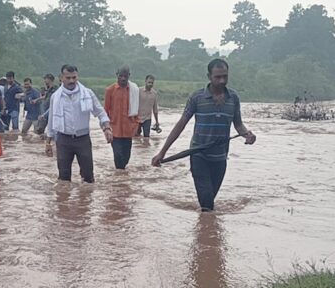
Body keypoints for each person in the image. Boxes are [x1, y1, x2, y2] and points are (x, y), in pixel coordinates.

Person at [152, 58, 256, 211]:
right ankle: (206, 231)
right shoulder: (197, 98)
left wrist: (247, 134)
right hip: (199, 155)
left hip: (220, 158)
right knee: (207, 202)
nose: (222, 80)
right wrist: (162, 152)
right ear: (209, 77)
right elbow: (181, 124)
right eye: (217, 77)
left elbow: (238, 124)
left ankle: (206, 228)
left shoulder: (233, 98)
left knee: (209, 201)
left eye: (225, 76)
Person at [45, 64, 113, 183]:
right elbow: (51, 119)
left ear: (77, 77)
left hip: (83, 140)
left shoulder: (87, 93)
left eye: (74, 77)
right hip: (63, 139)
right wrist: (48, 142)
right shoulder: (56, 97)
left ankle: (85, 200)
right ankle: (64, 201)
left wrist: (107, 128)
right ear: (61, 78)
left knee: (88, 178)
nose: (71, 81)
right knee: (64, 178)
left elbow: (100, 112)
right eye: (68, 78)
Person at [104, 66, 139, 170]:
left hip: (129, 129)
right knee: (118, 156)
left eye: (125, 76)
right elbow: (105, 110)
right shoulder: (110, 90)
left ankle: (121, 178)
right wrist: (106, 128)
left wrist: (136, 125)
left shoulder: (134, 90)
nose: (123, 78)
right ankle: (119, 181)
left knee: (126, 157)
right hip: (115, 130)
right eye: (121, 76)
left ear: (129, 76)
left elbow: (137, 109)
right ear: (117, 75)